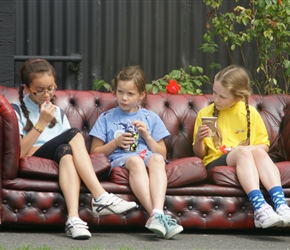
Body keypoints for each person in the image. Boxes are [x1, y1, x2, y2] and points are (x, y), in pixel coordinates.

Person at [12, 59, 138, 240]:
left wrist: (38, 145)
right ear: (26, 88)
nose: (47, 94)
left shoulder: (58, 112)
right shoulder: (16, 111)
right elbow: (20, 152)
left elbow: (65, 146)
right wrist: (41, 123)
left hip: (59, 155)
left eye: (51, 88)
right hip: (36, 158)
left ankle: (73, 219)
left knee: (67, 153)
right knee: (73, 134)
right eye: (39, 90)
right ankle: (100, 196)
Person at [89, 65, 183, 239]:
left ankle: (156, 214)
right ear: (115, 91)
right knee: (135, 160)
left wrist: (146, 136)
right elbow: (94, 152)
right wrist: (115, 143)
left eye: (130, 94)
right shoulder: (106, 118)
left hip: (147, 155)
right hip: (120, 159)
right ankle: (158, 216)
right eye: (120, 92)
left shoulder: (151, 118)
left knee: (156, 160)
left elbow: (162, 153)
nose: (124, 98)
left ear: (141, 95)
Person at [193, 65, 290, 229]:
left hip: (244, 156)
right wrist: (199, 140)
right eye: (214, 93)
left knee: (257, 152)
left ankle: (281, 205)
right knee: (244, 152)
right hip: (215, 161)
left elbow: (264, 146)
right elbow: (200, 155)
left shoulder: (251, 113)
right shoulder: (205, 114)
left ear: (238, 97)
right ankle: (259, 207)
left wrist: (243, 150)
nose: (216, 99)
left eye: (222, 96)